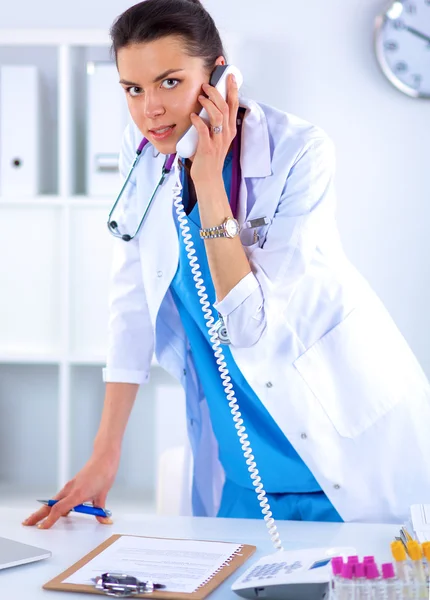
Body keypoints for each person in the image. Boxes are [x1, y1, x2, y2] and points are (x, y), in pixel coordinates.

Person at [24, 0, 430, 530]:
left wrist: (209, 181)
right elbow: (130, 303)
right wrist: (105, 451)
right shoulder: (144, 151)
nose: (150, 109)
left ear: (219, 74)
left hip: (338, 444)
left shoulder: (299, 152)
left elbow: (250, 326)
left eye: (169, 82)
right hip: (242, 459)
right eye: (133, 89)